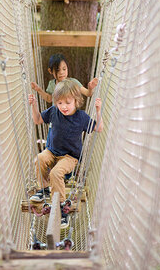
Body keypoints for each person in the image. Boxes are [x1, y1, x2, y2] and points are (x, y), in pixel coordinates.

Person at [28, 79, 103, 228]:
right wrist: (34, 105)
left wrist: (98, 111)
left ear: (76, 101)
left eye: (68, 103)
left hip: (70, 157)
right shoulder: (54, 112)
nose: (63, 107)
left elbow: (99, 128)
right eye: (60, 103)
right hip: (52, 152)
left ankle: (62, 210)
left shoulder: (81, 117)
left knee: (56, 173)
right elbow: (37, 120)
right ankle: (43, 190)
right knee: (39, 159)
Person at [30, 53, 98, 149]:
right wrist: (38, 89)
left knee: (68, 146)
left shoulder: (73, 83)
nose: (61, 72)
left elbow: (88, 93)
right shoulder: (52, 84)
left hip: (71, 121)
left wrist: (90, 88)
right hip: (56, 121)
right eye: (58, 70)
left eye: (64, 69)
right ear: (50, 71)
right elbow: (49, 98)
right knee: (51, 146)